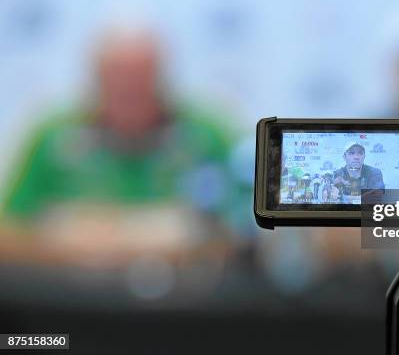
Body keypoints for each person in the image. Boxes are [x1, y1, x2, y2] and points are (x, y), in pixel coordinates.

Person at [0, 25, 242, 266]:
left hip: (187, 295)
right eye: (118, 80)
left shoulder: (206, 137)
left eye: (141, 81)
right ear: (96, 81)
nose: (130, 91)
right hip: (72, 293)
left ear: (162, 79)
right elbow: (9, 230)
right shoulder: (52, 139)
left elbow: (252, 226)